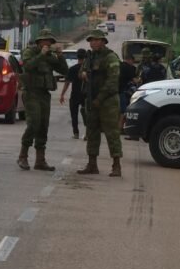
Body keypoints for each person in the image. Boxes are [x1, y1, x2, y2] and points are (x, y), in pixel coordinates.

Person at [18, 29, 69, 171]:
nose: (47, 43)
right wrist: (41, 55)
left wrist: (60, 56)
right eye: (44, 41)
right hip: (31, 92)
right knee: (33, 123)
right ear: (38, 42)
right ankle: (23, 156)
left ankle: (40, 160)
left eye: (49, 41)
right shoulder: (30, 52)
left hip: (44, 93)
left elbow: (65, 71)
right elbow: (28, 66)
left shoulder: (50, 56)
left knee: (43, 125)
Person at [78, 29, 123, 177]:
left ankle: (116, 165)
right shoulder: (89, 57)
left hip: (108, 101)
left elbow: (112, 81)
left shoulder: (110, 57)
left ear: (103, 41)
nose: (93, 42)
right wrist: (83, 74)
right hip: (92, 99)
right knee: (92, 132)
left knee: (112, 133)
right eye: (91, 40)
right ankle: (92, 164)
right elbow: (81, 72)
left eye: (96, 40)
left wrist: (100, 99)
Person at [59, 48, 88, 139]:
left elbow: (67, 83)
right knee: (87, 114)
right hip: (86, 94)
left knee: (74, 114)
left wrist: (62, 94)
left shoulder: (72, 69)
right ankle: (87, 133)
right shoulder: (88, 69)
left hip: (75, 94)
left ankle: (76, 133)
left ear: (77, 57)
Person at [118, 54, 137, 126]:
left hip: (113, 91)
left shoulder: (119, 65)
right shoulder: (129, 68)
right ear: (130, 60)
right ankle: (119, 127)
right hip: (121, 91)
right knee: (123, 111)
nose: (133, 63)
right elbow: (135, 81)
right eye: (133, 62)